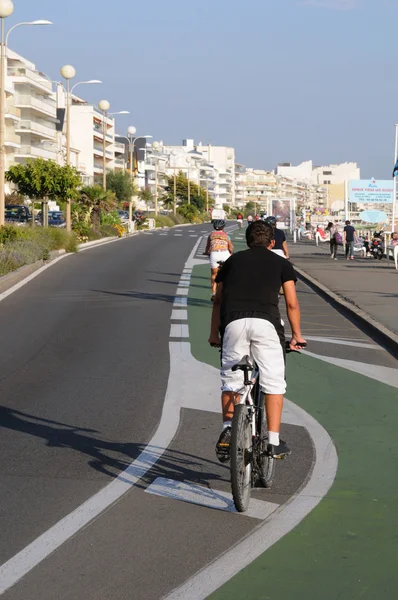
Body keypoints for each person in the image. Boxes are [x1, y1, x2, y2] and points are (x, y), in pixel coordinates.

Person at [208, 221, 306, 461]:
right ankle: (272, 441)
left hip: (233, 323)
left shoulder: (232, 262)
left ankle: (228, 429)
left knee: (231, 382)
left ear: (247, 240)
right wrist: (296, 335)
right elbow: (292, 303)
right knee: (273, 382)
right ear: (272, 243)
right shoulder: (282, 263)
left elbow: (218, 301)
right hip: (266, 325)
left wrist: (214, 334)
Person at [203, 220, 234, 301]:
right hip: (225, 254)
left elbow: (208, 246)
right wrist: (231, 253)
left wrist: (206, 253)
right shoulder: (226, 236)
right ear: (223, 227)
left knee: (214, 275)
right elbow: (230, 247)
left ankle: (213, 293)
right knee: (228, 273)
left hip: (214, 254)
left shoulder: (211, 235)